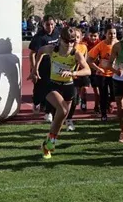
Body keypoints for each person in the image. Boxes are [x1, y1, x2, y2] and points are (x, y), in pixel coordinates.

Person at [31, 27, 91, 159]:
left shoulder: (76, 54)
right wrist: (35, 69)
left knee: (60, 119)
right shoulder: (53, 49)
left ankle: (48, 143)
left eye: (72, 41)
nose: (70, 44)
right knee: (63, 110)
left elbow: (88, 70)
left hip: (68, 87)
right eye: (67, 41)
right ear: (61, 40)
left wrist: (73, 73)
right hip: (52, 85)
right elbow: (40, 51)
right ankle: (49, 143)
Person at [29, 15, 60, 123]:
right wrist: (34, 69)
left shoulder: (57, 33)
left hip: (54, 65)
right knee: (39, 88)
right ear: (43, 24)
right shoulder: (39, 37)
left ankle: (48, 112)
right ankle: (36, 102)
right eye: (47, 24)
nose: (50, 27)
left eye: (52, 24)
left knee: (51, 88)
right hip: (41, 65)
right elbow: (32, 54)